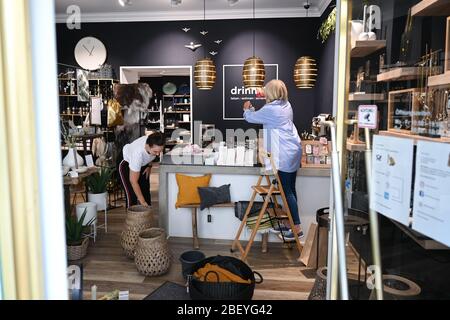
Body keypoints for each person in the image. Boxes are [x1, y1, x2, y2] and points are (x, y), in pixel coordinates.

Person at [243, 79, 303, 240]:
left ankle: (296, 227)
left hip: (284, 154)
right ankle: (292, 224)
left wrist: (247, 109)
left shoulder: (271, 109)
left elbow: (250, 118)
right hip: (293, 150)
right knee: (290, 188)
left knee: (286, 191)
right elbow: (263, 115)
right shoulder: (286, 105)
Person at [119, 132, 165, 208]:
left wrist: (149, 166)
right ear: (147, 146)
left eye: (160, 151)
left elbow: (151, 156)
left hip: (143, 163)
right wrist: (142, 202)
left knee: (145, 190)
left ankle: (147, 216)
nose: (158, 154)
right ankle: (132, 218)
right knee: (131, 194)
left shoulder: (152, 141)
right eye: (155, 152)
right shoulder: (138, 153)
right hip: (126, 162)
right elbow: (133, 181)